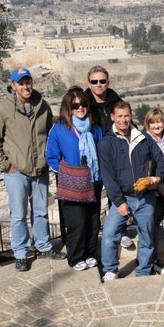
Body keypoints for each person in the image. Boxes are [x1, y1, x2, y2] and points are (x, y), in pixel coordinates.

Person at [0, 68, 66, 271]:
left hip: (40, 169)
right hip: (16, 171)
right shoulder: (2, 110)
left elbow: (50, 134)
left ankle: (44, 246)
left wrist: (49, 159)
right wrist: (6, 165)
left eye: (28, 82)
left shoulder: (42, 106)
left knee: (41, 211)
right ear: (13, 86)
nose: (25, 86)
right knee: (18, 214)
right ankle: (20, 252)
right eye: (21, 83)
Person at [99, 101, 164, 281]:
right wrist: (119, 202)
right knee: (109, 234)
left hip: (146, 198)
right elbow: (108, 176)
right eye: (119, 116)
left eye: (126, 116)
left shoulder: (144, 138)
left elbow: (161, 161)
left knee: (147, 237)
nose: (123, 120)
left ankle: (144, 271)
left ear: (131, 116)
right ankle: (111, 270)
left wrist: (156, 178)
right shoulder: (106, 143)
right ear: (113, 117)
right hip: (123, 198)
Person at [46, 87, 103, 271]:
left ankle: (89, 253)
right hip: (72, 183)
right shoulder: (59, 128)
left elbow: (102, 151)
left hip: (93, 181)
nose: (80, 108)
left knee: (93, 220)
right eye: (75, 105)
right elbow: (51, 156)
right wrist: (66, 174)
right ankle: (76, 257)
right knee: (76, 222)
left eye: (83, 104)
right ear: (68, 107)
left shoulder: (94, 127)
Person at [84, 65, 133, 249]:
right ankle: (92, 242)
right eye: (95, 81)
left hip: (115, 158)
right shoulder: (83, 103)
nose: (99, 84)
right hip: (93, 161)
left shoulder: (115, 101)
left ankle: (121, 232)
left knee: (117, 197)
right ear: (89, 83)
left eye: (102, 81)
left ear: (108, 82)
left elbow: (127, 124)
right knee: (93, 201)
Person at [144, 107, 164, 274]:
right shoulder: (145, 142)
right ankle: (151, 262)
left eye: (159, 121)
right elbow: (147, 170)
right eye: (152, 122)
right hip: (152, 192)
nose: (156, 125)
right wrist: (161, 187)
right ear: (147, 124)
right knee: (150, 227)